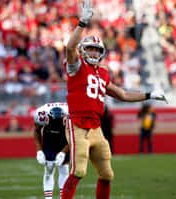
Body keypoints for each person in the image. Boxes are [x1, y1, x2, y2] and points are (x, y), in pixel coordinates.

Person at [62, 1, 168, 199]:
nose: (93, 52)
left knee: (107, 174)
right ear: (84, 50)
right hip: (77, 125)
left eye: (96, 50)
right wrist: (82, 22)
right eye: (90, 49)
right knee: (78, 172)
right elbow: (69, 47)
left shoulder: (103, 73)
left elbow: (123, 94)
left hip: (96, 127)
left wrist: (148, 95)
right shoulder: (76, 68)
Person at [33, 102, 70, 199]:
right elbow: (36, 131)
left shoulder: (71, 115)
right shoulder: (41, 114)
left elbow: (74, 138)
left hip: (65, 138)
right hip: (48, 138)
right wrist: (39, 151)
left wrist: (63, 152)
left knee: (64, 169)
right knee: (49, 169)